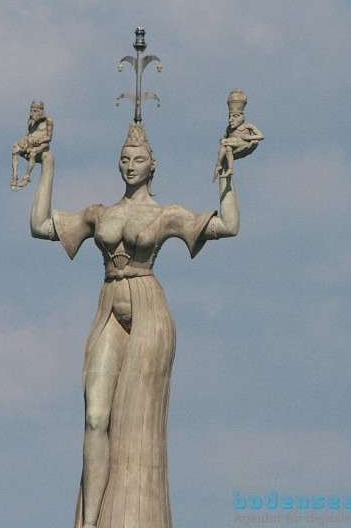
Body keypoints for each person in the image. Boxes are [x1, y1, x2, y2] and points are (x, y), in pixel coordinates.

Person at [29, 121, 239, 528]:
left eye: (138, 159)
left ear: (152, 166)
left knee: (137, 421)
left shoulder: (167, 215)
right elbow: (40, 227)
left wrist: (229, 172)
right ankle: (89, 522)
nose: (130, 165)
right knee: (95, 417)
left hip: (148, 308)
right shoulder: (98, 214)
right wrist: (46, 167)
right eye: (124, 159)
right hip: (109, 305)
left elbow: (228, 226)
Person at [212, 89, 264, 181]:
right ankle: (225, 168)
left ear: (242, 117)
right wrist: (222, 139)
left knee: (225, 143)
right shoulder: (229, 128)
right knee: (226, 147)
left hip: (244, 143)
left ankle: (219, 165)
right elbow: (225, 137)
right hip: (233, 145)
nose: (231, 120)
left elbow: (261, 136)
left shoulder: (247, 125)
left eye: (235, 116)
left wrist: (248, 137)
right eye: (230, 116)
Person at [11, 100, 53, 190]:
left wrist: (39, 141)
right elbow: (28, 134)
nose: (32, 113)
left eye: (35, 111)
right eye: (31, 111)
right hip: (30, 142)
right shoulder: (31, 122)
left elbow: (49, 137)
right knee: (15, 151)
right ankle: (14, 176)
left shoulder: (48, 121)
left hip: (42, 144)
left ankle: (26, 177)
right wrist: (24, 141)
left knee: (33, 153)